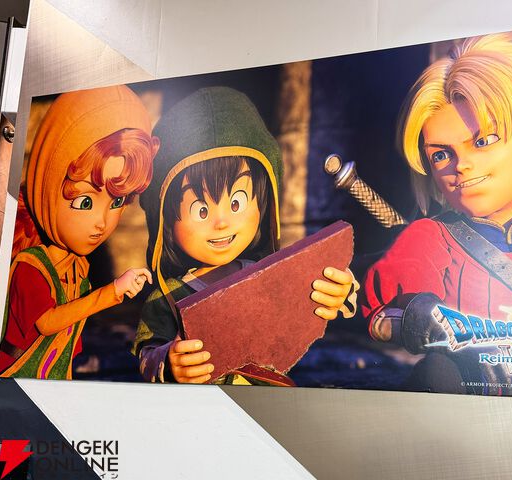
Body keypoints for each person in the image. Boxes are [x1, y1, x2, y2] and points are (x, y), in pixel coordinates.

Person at [361, 33, 512, 395]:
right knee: (437, 375)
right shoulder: (430, 240)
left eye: (483, 141)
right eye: (441, 154)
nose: (461, 165)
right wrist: (421, 322)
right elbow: (379, 318)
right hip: (475, 388)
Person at [133, 86, 356, 384]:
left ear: (263, 202)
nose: (221, 222)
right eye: (201, 210)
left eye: (236, 202)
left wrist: (339, 290)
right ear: (165, 219)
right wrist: (168, 363)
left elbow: (317, 291)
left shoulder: (270, 275)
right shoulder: (167, 296)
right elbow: (147, 355)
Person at [0, 85, 159, 379]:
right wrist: (112, 291)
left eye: (117, 201)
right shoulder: (31, 265)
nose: (101, 222)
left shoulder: (77, 268)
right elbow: (47, 323)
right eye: (85, 201)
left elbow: (67, 347)